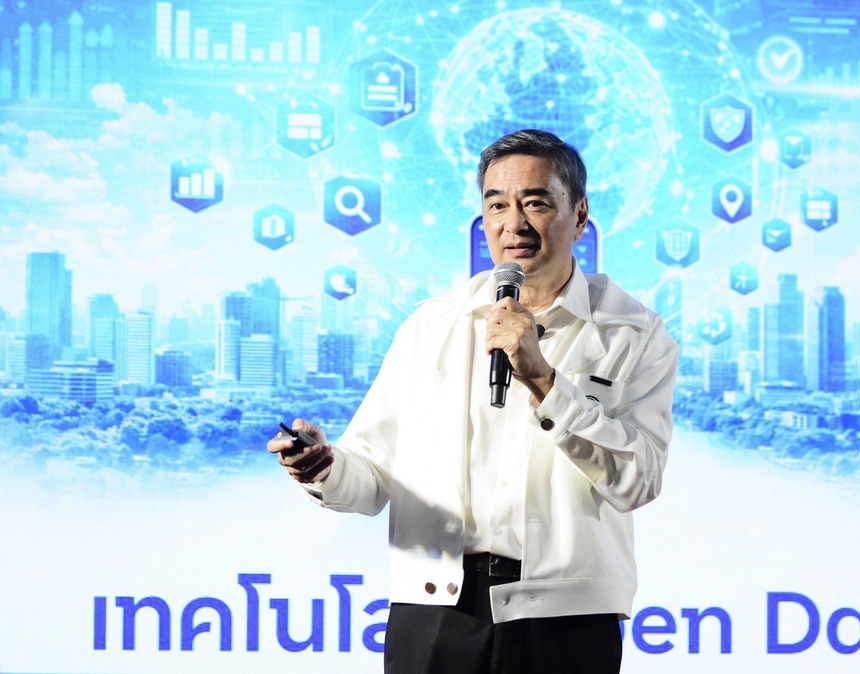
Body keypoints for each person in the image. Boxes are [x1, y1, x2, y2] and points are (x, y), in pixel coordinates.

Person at [268, 129, 679, 673]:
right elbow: (370, 475)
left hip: (566, 620)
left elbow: (637, 480)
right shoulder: (433, 325)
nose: (514, 224)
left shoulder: (634, 333)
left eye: (536, 203)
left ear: (580, 216)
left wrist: (543, 381)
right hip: (435, 609)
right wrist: (323, 467)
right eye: (497, 205)